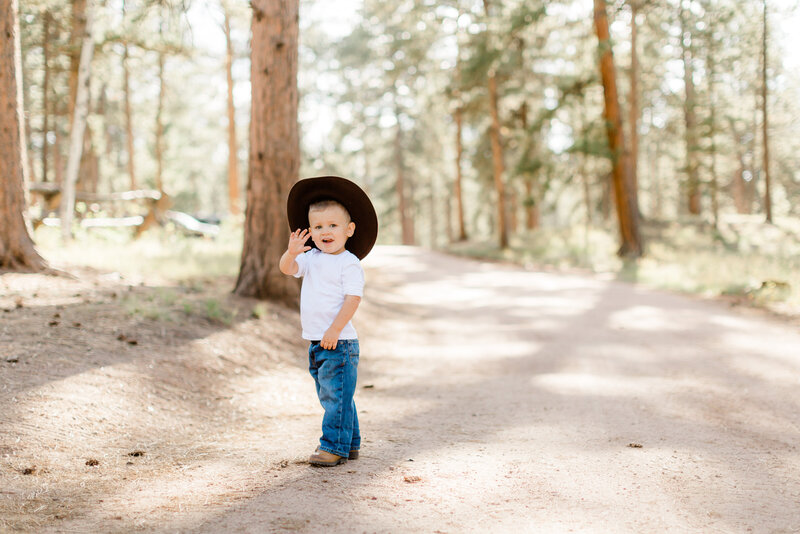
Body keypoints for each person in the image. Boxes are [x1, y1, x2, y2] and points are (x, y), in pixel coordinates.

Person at [279, 176, 378, 467]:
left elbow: (353, 299)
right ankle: (351, 444)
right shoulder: (311, 258)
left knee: (335, 398)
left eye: (333, 226)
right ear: (310, 231)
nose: (325, 232)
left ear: (349, 230)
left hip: (340, 342)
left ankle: (332, 447)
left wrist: (335, 328)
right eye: (318, 227)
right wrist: (291, 252)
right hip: (317, 341)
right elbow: (287, 269)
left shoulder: (348, 262)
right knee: (337, 395)